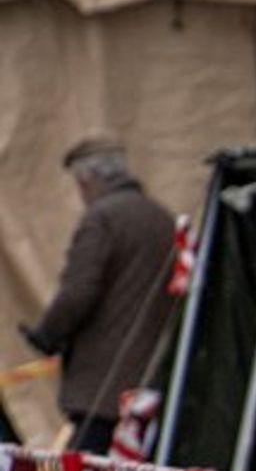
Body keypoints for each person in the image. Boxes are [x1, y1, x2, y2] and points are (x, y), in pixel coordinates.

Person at [18, 137, 177, 454]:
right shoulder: (162, 218)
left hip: (103, 388)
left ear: (87, 180)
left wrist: (47, 334)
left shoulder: (102, 219)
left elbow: (79, 291)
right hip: (152, 381)